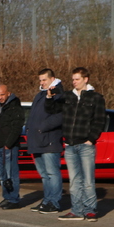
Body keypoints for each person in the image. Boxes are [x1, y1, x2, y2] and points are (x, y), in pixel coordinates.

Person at [45, 67, 105, 222]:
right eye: (73, 79)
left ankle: (90, 210)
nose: (74, 82)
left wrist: (91, 139)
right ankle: (77, 211)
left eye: (77, 79)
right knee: (74, 180)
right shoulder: (68, 97)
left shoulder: (96, 98)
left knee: (88, 180)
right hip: (70, 145)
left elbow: (100, 121)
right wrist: (49, 97)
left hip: (86, 145)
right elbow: (51, 109)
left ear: (86, 79)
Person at [25, 68, 64, 214]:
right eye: (40, 80)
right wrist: (28, 128)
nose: (42, 83)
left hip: (49, 140)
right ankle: (47, 200)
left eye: (44, 80)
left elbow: (60, 116)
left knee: (52, 173)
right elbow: (33, 115)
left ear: (52, 78)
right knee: (44, 174)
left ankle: (54, 202)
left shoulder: (58, 93)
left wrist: (42, 128)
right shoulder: (39, 95)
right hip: (36, 140)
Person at [0, 85, 24, 209]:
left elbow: (17, 127)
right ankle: (7, 197)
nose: (0, 97)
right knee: (2, 174)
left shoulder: (15, 107)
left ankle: (14, 199)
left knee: (11, 173)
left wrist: (8, 144)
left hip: (9, 146)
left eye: (2, 95)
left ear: (8, 93)